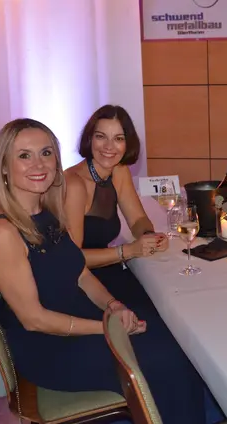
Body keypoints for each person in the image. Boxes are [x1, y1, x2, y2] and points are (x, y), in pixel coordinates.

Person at [0, 118, 206, 423]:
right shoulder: (1, 231)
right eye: (24, 155)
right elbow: (34, 319)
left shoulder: (47, 214)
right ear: (4, 167)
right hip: (51, 349)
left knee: (177, 339)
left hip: (80, 320)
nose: (38, 164)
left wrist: (113, 305)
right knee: (168, 360)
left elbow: (80, 274)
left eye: (46, 153)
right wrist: (108, 328)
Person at [64, 105, 167, 313]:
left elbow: (137, 220)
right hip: (77, 283)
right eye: (101, 136)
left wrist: (149, 236)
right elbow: (70, 260)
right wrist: (128, 250)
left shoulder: (118, 171)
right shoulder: (74, 184)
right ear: (89, 139)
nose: (109, 147)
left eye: (118, 138)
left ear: (128, 143)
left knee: (161, 305)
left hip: (107, 270)